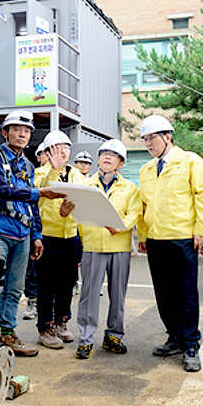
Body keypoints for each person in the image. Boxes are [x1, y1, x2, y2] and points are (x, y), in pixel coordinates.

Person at [0, 110, 63, 356]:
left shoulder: (27, 165)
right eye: (16, 129)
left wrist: (37, 235)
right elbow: (2, 190)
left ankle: (7, 336)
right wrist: (41, 193)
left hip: (23, 234)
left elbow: (31, 204)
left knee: (14, 289)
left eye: (26, 131)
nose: (22, 134)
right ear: (5, 133)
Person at [138, 114, 203, 372]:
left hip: (182, 238)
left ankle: (191, 344)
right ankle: (174, 337)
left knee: (185, 294)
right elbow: (143, 205)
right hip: (156, 239)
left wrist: (201, 231)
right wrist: (142, 233)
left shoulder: (190, 161)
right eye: (145, 139)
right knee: (164, 293)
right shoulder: (146, 169)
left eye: (152, 138)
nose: (148, 143)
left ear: (167, 137)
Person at [76, 139, 142, 359]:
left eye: (112, 155)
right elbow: (77, 214)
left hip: (119, 246)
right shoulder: (85, 185)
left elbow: (135, 213)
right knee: (89, 294)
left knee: (118, 294)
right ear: (98, 159)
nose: (107, 157)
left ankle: (114, 334)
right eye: (103, 153)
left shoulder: (130, 188)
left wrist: (122, 226)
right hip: (93, 245)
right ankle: (86, 339)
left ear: (120, 163)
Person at [34, 130, 85, 349]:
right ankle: (45, 327)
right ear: (47, 152)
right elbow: (39, 194)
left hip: (71, 237)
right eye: (56, 148)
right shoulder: (40, 174)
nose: (62, 152)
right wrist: (53, 170)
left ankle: (62, 321)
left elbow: (85, 198)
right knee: (47, 284)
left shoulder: (77, 174)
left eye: (65, 148)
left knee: (68, 281)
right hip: (48, 237)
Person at [22, 142, 48, 321]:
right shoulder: (32, 174)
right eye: (45, 154)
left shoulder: (67, 174)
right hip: (35, 228)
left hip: (56, 232)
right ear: (39, 157)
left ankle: (48, 305)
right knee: (32, 270)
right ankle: (32, 302)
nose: (48, 156)